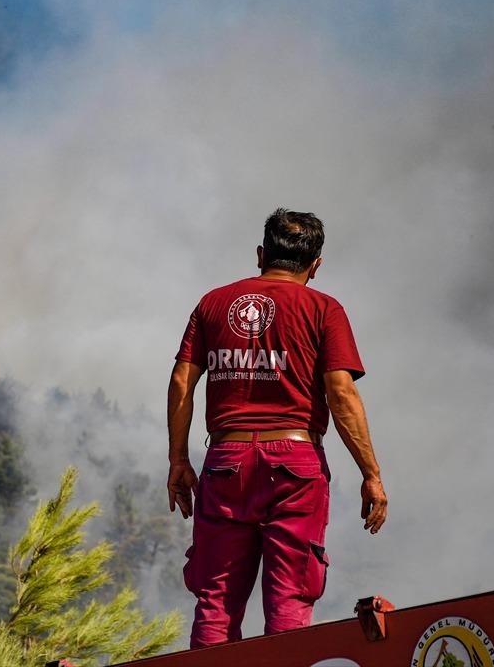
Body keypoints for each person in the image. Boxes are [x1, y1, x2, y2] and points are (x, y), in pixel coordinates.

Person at [166, 208, 387, 648]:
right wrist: (371, 474)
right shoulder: (324, 309)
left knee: (216, 601)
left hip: (225, 462)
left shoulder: (213, 303)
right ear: (316, 265)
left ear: (261, 254)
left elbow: (181, 381)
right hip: (295, 463)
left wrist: (177, 460)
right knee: (289, 600)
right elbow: (340, 394)